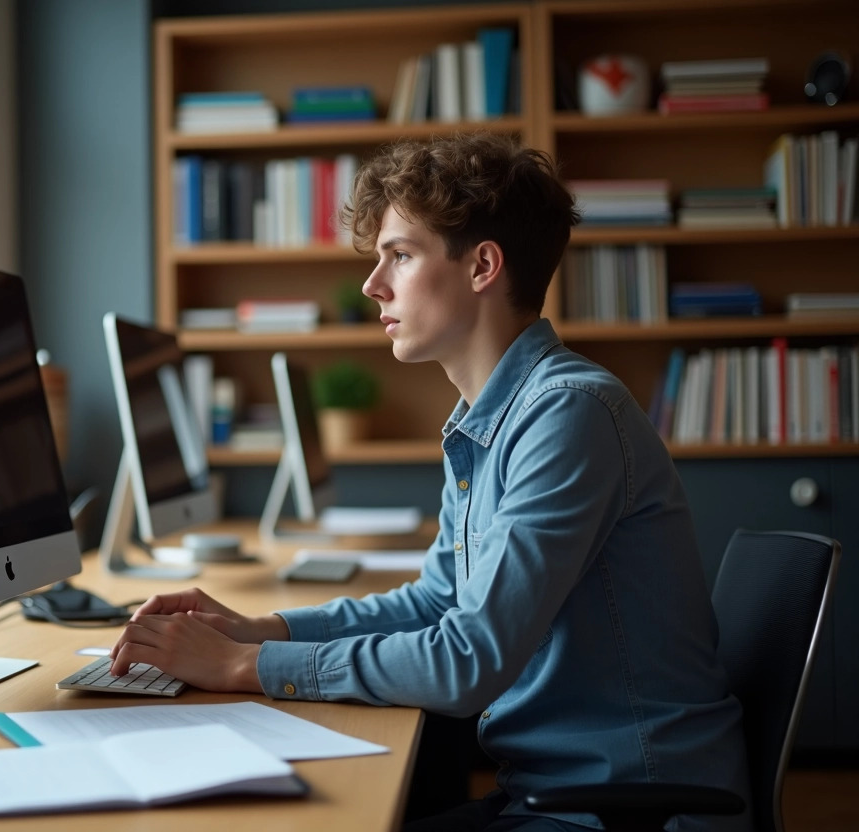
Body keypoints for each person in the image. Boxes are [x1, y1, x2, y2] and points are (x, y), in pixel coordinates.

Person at [109, 133, 751, 831]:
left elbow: (467, 659)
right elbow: (437, 602)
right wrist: (258, 629)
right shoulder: (488, 419)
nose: (371, 285)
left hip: (625, 809)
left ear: (481, 266)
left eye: (401, 256)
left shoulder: (569, 414)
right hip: (558, 794)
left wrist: (244, 666)